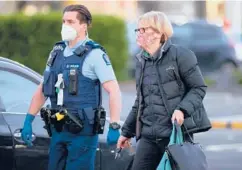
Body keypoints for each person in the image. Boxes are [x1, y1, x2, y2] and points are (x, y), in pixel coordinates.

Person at [21, 4, 122, 170]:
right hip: (59, 129)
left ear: (83, 26)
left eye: (70, 21)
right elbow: (43, 88)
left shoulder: (95, 54)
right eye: (63, 21)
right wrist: (28, 119)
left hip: (82, 134)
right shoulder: (57, 52)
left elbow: (114, 91)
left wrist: (115, 125)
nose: (65, 25)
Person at [117, 11, 211, 170]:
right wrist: (126, 132)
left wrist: (182, 110)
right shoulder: (142, 61)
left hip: (175, 135)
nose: (138, 34)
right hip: (148, 136)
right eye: (137, 30)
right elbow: (140, 101)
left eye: (143, 30)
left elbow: (198, 88)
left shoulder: (181, 55)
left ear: (158, 32)